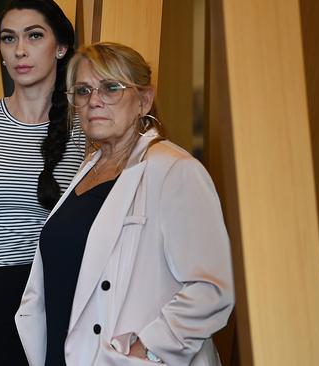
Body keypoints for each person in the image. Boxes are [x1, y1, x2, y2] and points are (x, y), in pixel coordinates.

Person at [15, 42, 235, 365]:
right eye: (83, 91)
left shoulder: (175, 171)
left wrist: (145, 348)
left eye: (111, 88)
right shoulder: (89, 167)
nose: (94, 101)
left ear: (144, 100)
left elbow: (212, 288)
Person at [0, 0, 85, 364]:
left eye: (34, 36)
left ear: (60, 47)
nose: (19, 50)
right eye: (9, 38)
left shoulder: (86, 128)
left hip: (64, 291)